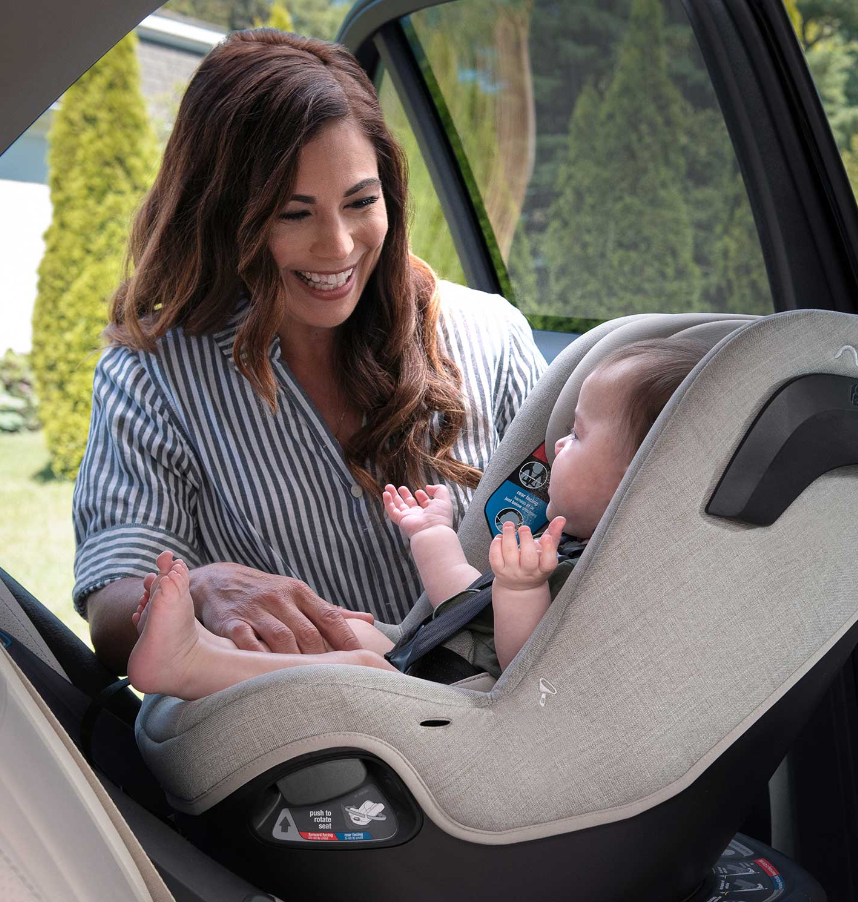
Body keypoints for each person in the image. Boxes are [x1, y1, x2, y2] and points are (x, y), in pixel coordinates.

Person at [72, 29, 546, 675]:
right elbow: (112, 602)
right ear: (223, 213)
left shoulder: (489, 333)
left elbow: (583, 529)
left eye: (360, 202)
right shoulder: (153, 376)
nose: (338, 245)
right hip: (330, 749)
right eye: (294, 214)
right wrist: (202, 589)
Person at [125, 338, 704, 700]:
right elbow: (465, 611)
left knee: (357, 661)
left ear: (642, 476)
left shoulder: (608, 580)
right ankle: (203, 644)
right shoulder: (565, 548)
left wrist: (521, 590)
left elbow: (529, 675)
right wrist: (433, 538)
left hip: (464, 716)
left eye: (577, 435)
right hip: (439, 675)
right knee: (353, 633)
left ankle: (188, 664)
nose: (554, 446)